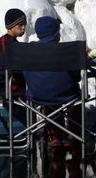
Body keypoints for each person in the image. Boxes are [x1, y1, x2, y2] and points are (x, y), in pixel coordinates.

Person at [23, 16, 81, 154]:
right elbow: (76, 76)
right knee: (75, 98)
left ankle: (55, 135)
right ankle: (74, 135)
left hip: (37, 94)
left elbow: (23, 71)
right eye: (58, 30)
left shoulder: (30, 50)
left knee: (49, 97)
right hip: (66, 94)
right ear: (55, 32)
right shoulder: (66, 50)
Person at [0, 8, 27, 92]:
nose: (23, 28)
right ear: (11, 25)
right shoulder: (5, 43)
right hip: (4, 86)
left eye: (24, 24)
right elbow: (9, 65)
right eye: (20, 25)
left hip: (12, 82)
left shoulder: (11, 41)